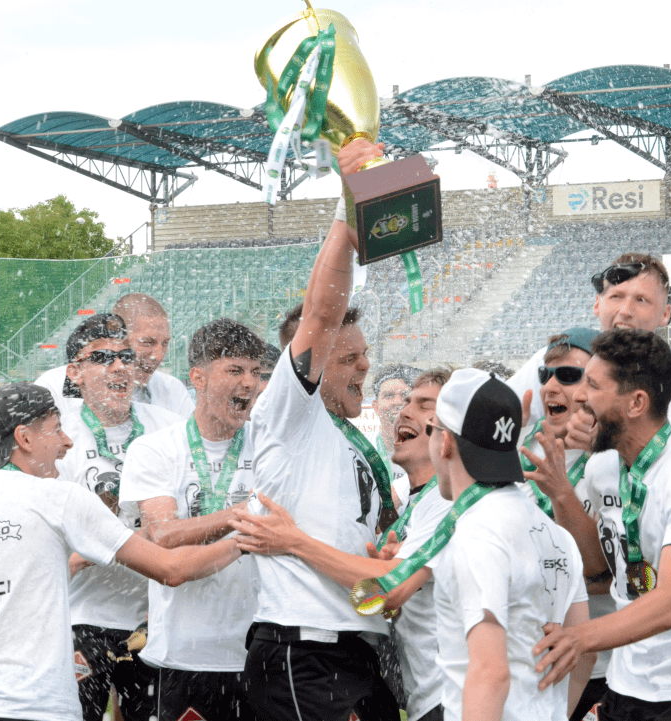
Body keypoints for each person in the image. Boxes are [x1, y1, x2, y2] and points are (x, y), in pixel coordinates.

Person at [0, 383, 241, 721]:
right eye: (56, 429)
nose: (68, 442)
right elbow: (171, 569)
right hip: (34, 709)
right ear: (24, 438)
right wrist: (244, 535)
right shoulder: (58, 498)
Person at [239, 137, 400, 721]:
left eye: (366, 355)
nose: (365, 367)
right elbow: (323, 314)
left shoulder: (351, 438)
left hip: (356, 648)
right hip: (303, 651)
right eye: (348, 357)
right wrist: (348, 206)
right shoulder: (289, 414)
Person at [534, 329, 671, 721]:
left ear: (636, 403)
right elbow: (601, 570)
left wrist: (579, 637)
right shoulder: (604, 467)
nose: (580, 396)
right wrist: (562, 494)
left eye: (593, 386)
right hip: (628, 681)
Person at [232, 368, 453, 721]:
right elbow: (376, 598)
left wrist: (294, 542)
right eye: (407, 401)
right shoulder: (410, 505)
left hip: (453, 697)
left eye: (424, 404)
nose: (405, 411)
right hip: (424, 697)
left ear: (453, 427)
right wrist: (382, 581)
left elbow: (387, 589)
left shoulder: (449, 503)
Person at [118, 318, 267, 721]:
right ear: (198, 377)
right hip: (182, 654)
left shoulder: (270, 447)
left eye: (256, 372)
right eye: (235, 370)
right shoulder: (154, 449)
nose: (249, 383)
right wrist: (245, 513)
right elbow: (165, 534)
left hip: (260, 652)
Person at [427, 368, 593, 721]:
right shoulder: (557, 535)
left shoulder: (476, 534)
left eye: (432, 429)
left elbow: (490, 674)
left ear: (445, 442)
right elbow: (584, 655)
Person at [55, 313, 183, 721]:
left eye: (126, 357)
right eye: (102, 358)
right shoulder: (59, 437)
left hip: (156, 617)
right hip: (82, 616)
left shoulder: (170, 429)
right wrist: (118, 544)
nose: (119, 367)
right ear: (75, 372)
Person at [515, 327, 614, 721]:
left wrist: (561, 492)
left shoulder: (614, 461)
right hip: (527, 655)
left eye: (569, 376)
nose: (551, 386)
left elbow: (603, 571)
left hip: (599, 665)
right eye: (545, 375)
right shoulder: (524, 445)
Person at [507, 253, 671, 446]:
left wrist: (605, 441)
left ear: (665, 314)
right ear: (597, 304)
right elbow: (501, 410)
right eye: (616, 296)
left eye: (641, 300)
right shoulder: (556, 358)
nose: (626, 311)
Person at [36, 293, 194, 418]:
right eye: (147, 342)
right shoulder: (54, 387)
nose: (158, 356)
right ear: (117, 336)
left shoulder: (172, 390)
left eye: (165, 343)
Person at [371, 363, 419, 482]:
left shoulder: (433, 453)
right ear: (376, 407)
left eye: (405, 395)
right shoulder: (364, 450)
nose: (398, 402)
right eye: (388, 395)